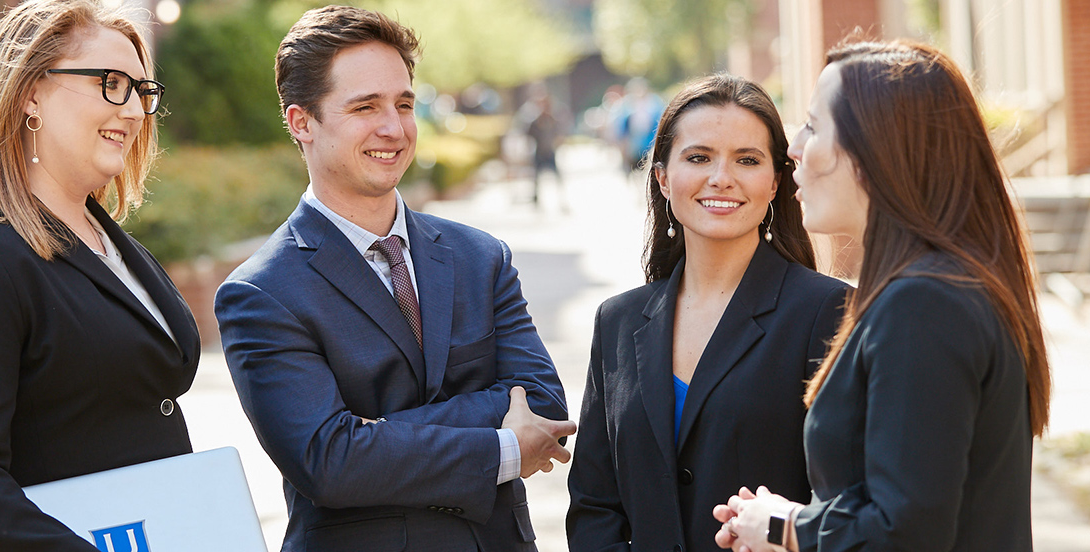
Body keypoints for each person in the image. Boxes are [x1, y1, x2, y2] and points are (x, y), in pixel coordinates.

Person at [214, 6, 575, 551]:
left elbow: (544, 403)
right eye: (365, 107)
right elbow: (329, 463)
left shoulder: (481, 257)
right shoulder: (262, 293)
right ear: (301, 122)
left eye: (403, 104)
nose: (394, 127)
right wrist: (500, 447)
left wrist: (375, 434)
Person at [712, 40, 1052, 551]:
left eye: (813, 125)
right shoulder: (929, 288)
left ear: (876, 150)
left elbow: (905, 530)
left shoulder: (924, 302)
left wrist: (785, 528)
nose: (793, 147)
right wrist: (786, 519)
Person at [0, 1, 197, 550]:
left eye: (141, 91)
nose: (132, 109)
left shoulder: (113, 244)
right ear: (30, 92)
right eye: (111, 83)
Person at [566, 74, 850, 552]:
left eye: (747, 160)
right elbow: (595, 503)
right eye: (699, 158)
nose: (722, 177)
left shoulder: (830, 313)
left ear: (776, 180)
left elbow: (844, 500)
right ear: (662, 177)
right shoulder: (617, 321)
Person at [516, 83, 570, 210]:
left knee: (557, 177)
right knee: (536, 179)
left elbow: (558, 130)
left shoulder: (553, 115)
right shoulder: (532, 116)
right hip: (539, 151)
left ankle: (561, 202)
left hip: (549, 150)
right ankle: (537, 202)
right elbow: (527, 132)